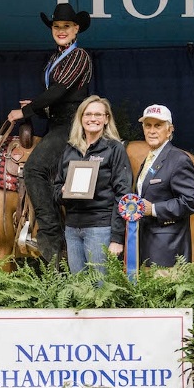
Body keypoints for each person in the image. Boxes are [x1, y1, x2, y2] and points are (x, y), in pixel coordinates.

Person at [7, 3, 93, 264]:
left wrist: (27, 111)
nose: (61, 31)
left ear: (76, 29)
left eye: (66, 26)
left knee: (34, 169)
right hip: (58, 124)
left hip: (72, 126)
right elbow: (57, 101)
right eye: (56, 27)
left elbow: (59, 92)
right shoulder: (55, 58)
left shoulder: (79, 57)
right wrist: (37, 109)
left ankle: (50, 235)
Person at [53, 96, 132, 275]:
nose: (93, 119)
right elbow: (56, 189)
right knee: (79, 287)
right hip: (72, 229)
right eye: (88, 114)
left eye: (98, 114)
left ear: (106, 119)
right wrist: (63, 191)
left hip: (100, 228)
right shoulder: (69, 150)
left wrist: (117, 238)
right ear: (81, 118)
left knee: (100, 288)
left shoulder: (114, 149)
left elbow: (123, 194)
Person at [135, 104, 194, 267]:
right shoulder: (150, 159)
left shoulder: (178, 159)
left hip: (169, 251)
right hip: (147, 246)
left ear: (170, 130)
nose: (152, 131)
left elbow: (192, 201)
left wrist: (155, 209)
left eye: (158, 126)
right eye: (148, 125)